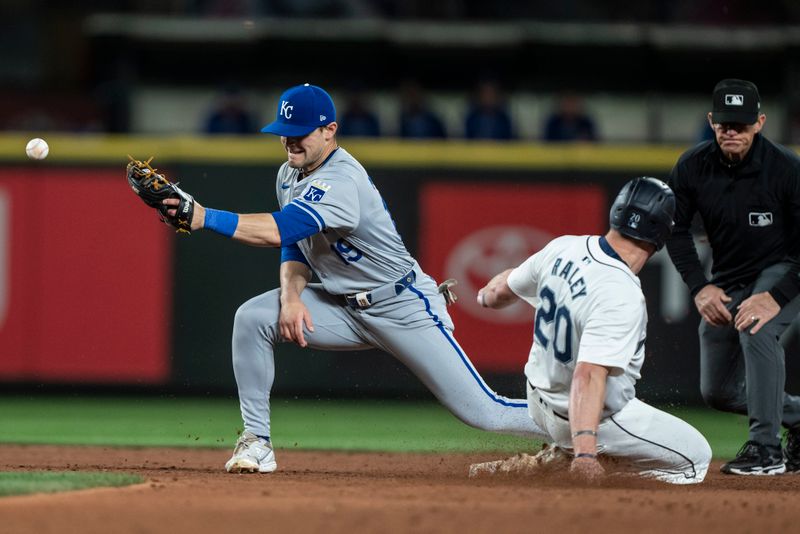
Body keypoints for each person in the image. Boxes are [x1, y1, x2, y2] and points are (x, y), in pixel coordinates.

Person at [162, 83, 544, 473]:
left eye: (302, 132)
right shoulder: (289, 174)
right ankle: (257, 441)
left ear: (330, 131)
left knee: (484, 412)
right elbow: (295, 243)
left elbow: (279, 229)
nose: (290, 141)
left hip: (401, 306)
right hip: (341, 307)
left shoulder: (341, 180)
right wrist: (291, 298)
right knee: (252, 318)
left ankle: (594, 430)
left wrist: (204, 217)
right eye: (285, 132)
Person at [475, 177, 711, 484]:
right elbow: (588, 375)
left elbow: (501, 290)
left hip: (537, 400)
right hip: (585, 416)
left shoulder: (563, 247)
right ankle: (583, 466)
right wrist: (586, 453)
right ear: (662, 233)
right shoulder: (620, 291)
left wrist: (484, 296)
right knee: (696, 459)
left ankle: (558, 456)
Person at [665, 78, 800, 476]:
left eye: (740, 124)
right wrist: (699, 286)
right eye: (724, 124)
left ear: (760, 123)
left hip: (786, 272)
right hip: (728, 277)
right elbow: (673, 229)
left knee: (756, 327)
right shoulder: (692, 167)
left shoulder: (786, 169)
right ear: (711, 121)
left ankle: (765, 449)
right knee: (719, 392)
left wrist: (776, 295)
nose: (731, 132)